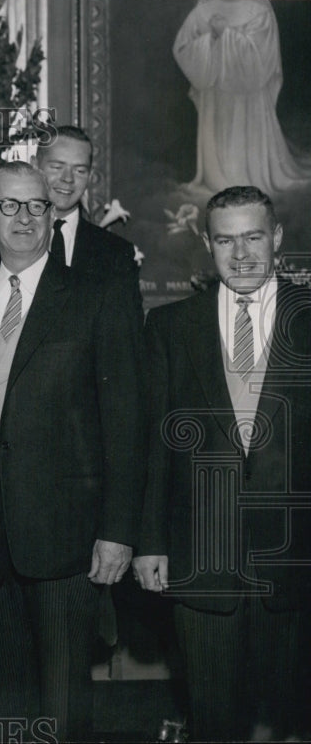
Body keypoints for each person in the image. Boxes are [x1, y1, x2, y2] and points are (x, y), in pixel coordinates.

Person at [0, 162, 145, 741]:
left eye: (36, 206)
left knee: (63, 708)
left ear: (53, 216)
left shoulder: (97, 297)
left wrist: (119, 529)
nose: (23, 218)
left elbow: (127, 423)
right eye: (9, 206)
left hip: (70, 540)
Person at [132, 186, 311, 740]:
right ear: (207, 244)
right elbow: (152, 446)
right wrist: (149, 541)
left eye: (253, 236)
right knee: (213, 721)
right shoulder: (169, 328)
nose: (241, 254)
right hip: (200, 561)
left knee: (293, 720)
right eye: (226, 240)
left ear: (276, 238)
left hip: (295, 561)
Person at [174, 0, 311, 194]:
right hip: (215, 95)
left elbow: (262, 58)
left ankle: (251, 178)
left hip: (249, 97)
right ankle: (218, 179)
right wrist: (212, 38)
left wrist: (226, 34)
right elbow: (182, 48)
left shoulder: (259, 13)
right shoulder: (202, 12)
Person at [0, 126, 142, 316]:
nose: (67, 179)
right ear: (35, 165)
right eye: (57, 167)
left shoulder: (116, 254)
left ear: (90, 176)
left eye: (80, 170)